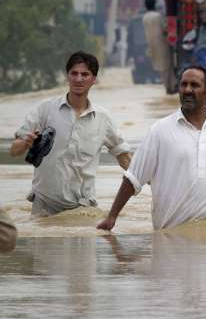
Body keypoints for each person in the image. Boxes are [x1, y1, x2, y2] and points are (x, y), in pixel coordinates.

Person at [96, 66, 206, 231]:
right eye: (183, 85)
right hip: (172, 239)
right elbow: (133, 179)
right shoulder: (159, 131)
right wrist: (112, 217)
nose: (187, 90)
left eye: (194, 85)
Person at [11, 52, 132, 217]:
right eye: (74, 73)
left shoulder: (103, 119)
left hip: (83, 210)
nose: (78, 79)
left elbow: (124, 158)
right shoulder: (45, 110)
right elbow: (14, 150)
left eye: (85, 74)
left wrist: (153, 182)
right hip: (44, 207)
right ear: (67, 76)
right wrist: (25, 143)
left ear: (94, 79)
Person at [141, 0, 174, 92]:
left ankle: (167, 86)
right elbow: (165, 28)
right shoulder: (158, 16)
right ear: (154, 5)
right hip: (162, 43)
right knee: (167, 65)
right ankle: (169, 87)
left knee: (160, 66)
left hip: (151, 45)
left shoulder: (145, 17)